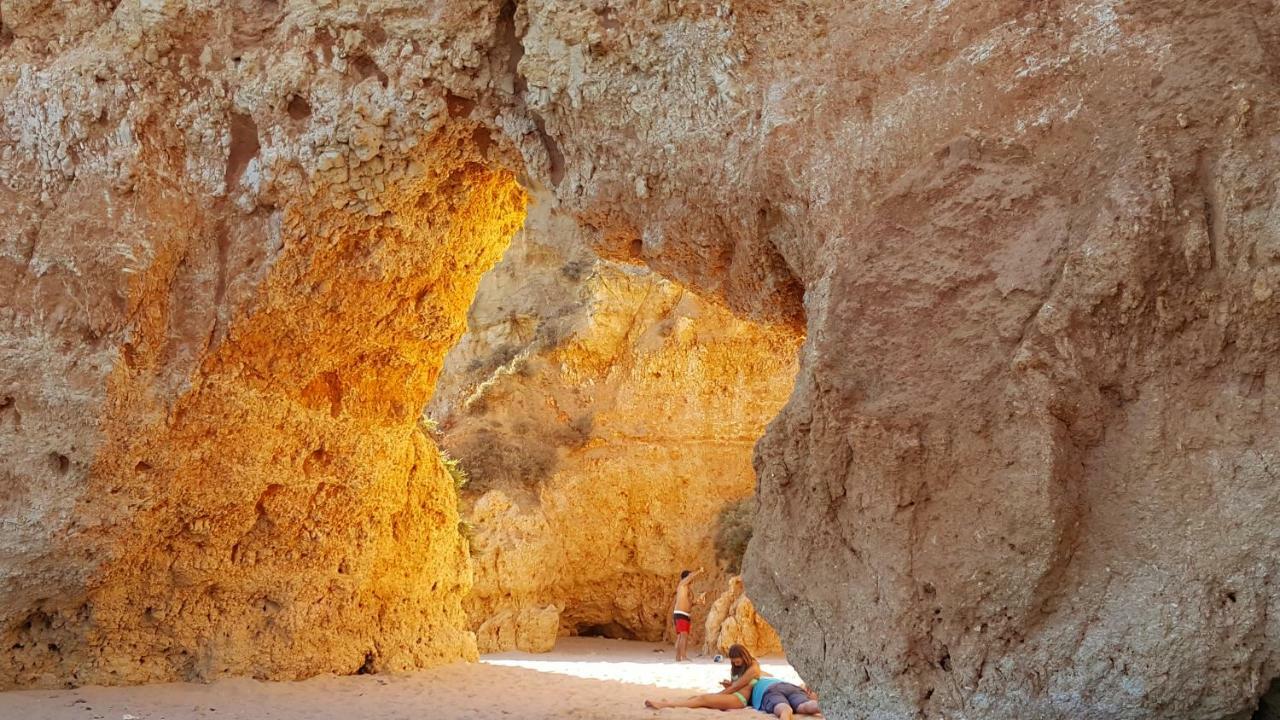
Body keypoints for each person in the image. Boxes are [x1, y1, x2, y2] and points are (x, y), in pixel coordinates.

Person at [644, 644, 764, 710]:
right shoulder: (740, 666)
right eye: (733, 663)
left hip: (739, 700)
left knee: (704, 699)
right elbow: (735, 685)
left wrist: (719, 693)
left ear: (744, 656)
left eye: (737, 662)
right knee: (697, 697)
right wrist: (729, 684)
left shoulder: (754, 667)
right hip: (733, 695)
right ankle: (672, 702)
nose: (736, 665)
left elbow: (735, 687)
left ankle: (665, 705)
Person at [670, 568, 703, 661]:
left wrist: (698, 601)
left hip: (685, 615)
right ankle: (683, 657)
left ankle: (678, 658)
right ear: (686, 578)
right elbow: (691, 576)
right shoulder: (682, 585)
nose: (692, 580)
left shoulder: (688, 590)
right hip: (680, 613)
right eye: (689, 577)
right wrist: (699, 571)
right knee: (683, 635)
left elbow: (690, 604)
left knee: (681, 636)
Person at [757, 680, 822, 719]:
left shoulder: (753, 684)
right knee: (804, 705)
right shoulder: (767, 678)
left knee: (784, 708)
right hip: (790, 686)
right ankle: (826, 707)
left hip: (770, 690)